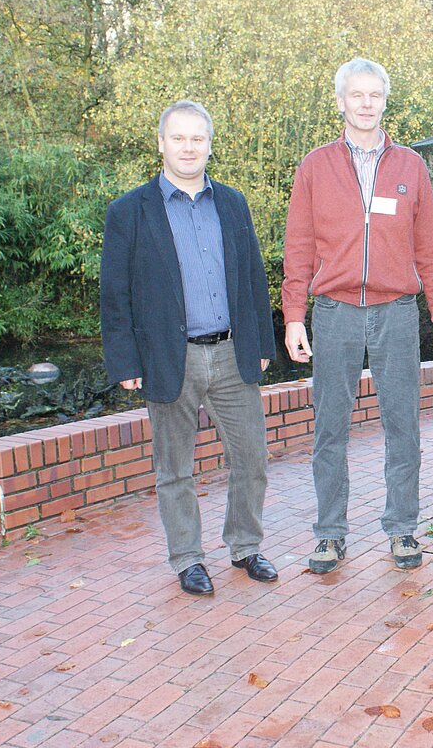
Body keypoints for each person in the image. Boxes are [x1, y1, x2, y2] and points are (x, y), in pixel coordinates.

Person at [282, 58, 433, 574]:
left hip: (396, 312)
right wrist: (294, 316)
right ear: (341, 101)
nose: (365, 103)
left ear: (384, 100)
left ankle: (402, 528)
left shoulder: (410, 167)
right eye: (356, 94)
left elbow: (429, 249)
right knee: (329, 428)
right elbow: (298, 247)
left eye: (374, 95)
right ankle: (329, 533)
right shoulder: (315, 166)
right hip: (334, 312)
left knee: (403, 425)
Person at [101, 100, 278, 596]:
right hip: (167, 356)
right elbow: (115, 292)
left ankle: (245, 546)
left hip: (231, 353)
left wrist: (261, 342)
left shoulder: (233, 204)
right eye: (178, 138)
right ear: (161, 143)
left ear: (209, 145)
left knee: (252, 459)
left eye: (197, 138)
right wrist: (124, 360)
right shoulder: (128, 211)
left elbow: (253, 277)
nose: (187, 148)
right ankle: (188, 558)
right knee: (175, 469)